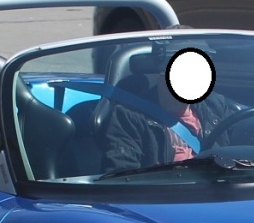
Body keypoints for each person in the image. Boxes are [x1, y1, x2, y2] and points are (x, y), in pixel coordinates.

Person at [100, 74, 237, 173]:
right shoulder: (128, 116)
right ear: (162, 75)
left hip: (218, 192)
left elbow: (244, 152)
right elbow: (123, 175)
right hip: (166, 197)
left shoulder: (216, 106)